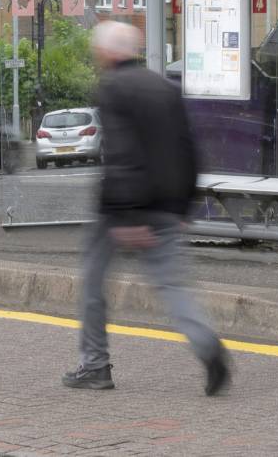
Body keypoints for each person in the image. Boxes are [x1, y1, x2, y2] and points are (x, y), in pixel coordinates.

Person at [62, 21, 232, 396]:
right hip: (168, 206)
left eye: (97, 51)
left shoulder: (112, 88)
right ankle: (207, 344)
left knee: (92, 282)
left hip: (122, 211)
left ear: (108, 52)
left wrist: (127, 216)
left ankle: (95, 366)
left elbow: (122, 154)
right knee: (172, 286)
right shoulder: (164, 86)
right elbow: (188, 148)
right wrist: (183, 206)